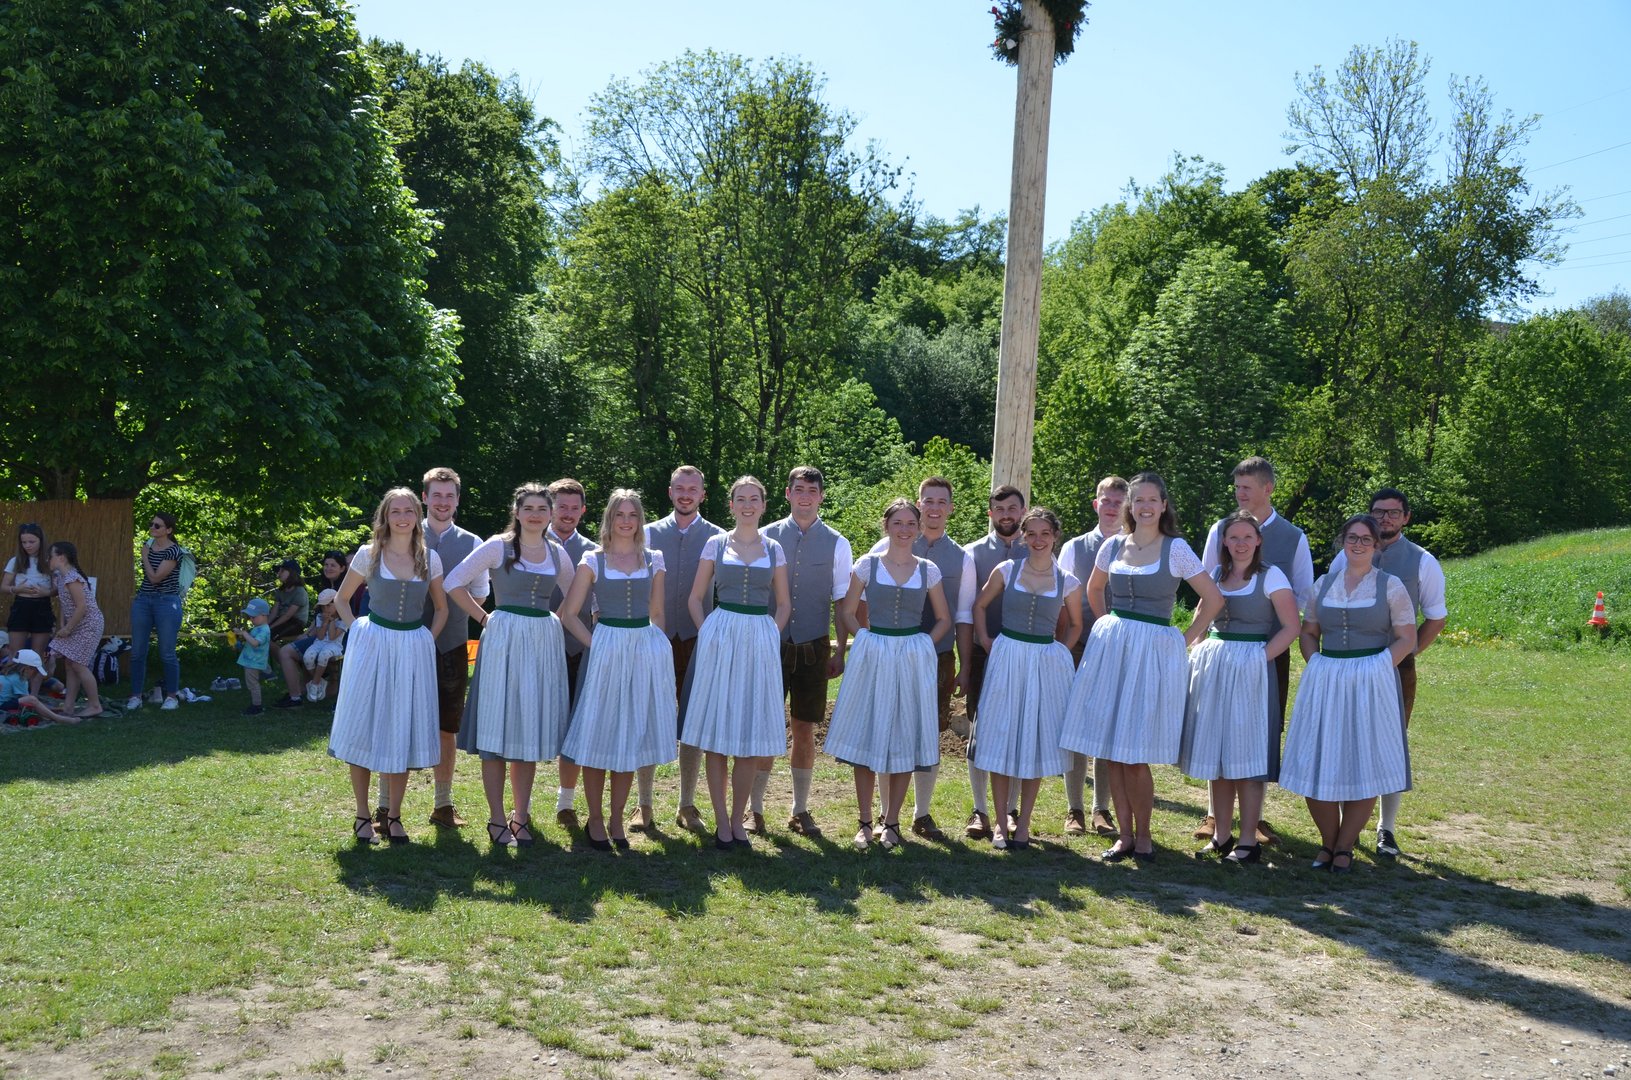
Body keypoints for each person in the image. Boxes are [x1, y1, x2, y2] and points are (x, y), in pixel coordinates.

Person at [1061, 472, 1225, 862]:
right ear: (1130, 507)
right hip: (1113, 650)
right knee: (1114, 751)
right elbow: (1094, 588)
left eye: (1152, 500)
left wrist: (1184, 638)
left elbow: (1214, 598)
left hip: (1152, 653)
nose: (1145, 507)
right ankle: (1125, 835)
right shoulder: (1114, 544)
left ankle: (1145, 835)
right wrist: (1106, 623)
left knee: (1135, 753)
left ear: (1164, 505)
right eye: (1139, 500)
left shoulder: (1176, 548)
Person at [1280, 514, 1416, 872]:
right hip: (1326, 679)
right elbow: (1309, 631)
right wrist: (1315, 662)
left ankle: (1344, 847)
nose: (1358, 544)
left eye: (1366, 539)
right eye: (1352, 538)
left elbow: (1407, 637)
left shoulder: (1390, 586)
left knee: (1364, 761)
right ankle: (1328, 843)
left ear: (1376, 545)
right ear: (1343, 542)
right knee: (1316, 758)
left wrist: (1380, 665)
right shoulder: (1323, 584)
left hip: (1372, 681)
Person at [444, 482, 576, 849]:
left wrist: (553, 620)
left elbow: (576, 594)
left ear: (550, 514)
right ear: (516, 512)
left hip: (541, 644)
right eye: (528, 508)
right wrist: (484, 618)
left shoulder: (557, 553)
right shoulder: (498, 546)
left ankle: (521, 815)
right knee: (496, 727)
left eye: (542, 509)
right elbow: (454, 582)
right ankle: (496, 818)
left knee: (527, 729)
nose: (535, 514)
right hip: (503, 640)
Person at [1194, 457, 1314, 846]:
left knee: (1258, 734)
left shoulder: (1293, 537)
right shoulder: (1220, 529)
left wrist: (1261, 650)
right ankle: (1216, 820)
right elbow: (1207, 592)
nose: (1240, 493)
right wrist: (1195, 645)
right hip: (1219, 656)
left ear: (1268, 489)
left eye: (1247, 487)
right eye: (1237, 487)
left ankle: (1254, 822)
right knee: (1217, 733)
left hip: (1267, 650)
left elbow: (1302, 597)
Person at [1326, 487, 1448, 859]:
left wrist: (1407, 654)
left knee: (1390, 743)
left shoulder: (1422, 560)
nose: (1386, 518)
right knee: (1348, 739)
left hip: (1394, 666)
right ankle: (1347, 827)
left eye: (1394, 513)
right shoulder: (1345, 556)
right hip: (1347, 664)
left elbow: (1436, 616)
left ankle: (1386, 828)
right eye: (1379, 512)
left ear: (1406, 517)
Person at [827, 499, 952, 850]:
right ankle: (865, 821)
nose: (904, 529)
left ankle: (892, 821)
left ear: (918, 528)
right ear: (887, 526)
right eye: (898, 523)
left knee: (903, 735)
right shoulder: (867, 565)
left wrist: (923, 643)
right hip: (874, 655)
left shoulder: (928, 570)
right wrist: (864, 637)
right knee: (868, 733)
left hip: (910, 658)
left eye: (911, 523)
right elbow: (847, 611)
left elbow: (944, 618)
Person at [1178, 512, 1301, 864]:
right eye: (1234, 537)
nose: (1241, 543)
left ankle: (1248, 840)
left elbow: (1291, 626)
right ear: (1224, 542)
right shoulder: (1216, 573)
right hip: (1214, 666)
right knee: (1218, 753)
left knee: (1246, 755)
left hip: (1251, 668)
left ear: (1258, 540)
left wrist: (1260, 657)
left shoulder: (1270, 575)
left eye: (1248, 536)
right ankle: (1221, 834)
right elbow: (1201, 616)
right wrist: (1198, 646)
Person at [558, 489, 677, 851]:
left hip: (641, 651)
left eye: (633, 515)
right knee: (599, 735)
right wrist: (596, 644)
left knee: (629, 737)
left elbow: (657, 613)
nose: (626, 521)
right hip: (606, 652)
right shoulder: (593, 560)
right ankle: (595, 818)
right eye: (620, 514)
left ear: (640, 520)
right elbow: (569, 614)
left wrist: (655, 650)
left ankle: (616, 818)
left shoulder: (654, 559)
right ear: (609, 519)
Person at [329, 488, 448, 846]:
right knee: (365, 725)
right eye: (395, 511)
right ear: (385, 516)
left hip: (411, 647)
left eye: (408, 511)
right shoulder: (369, 554)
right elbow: (342, 599)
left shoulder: (430, 558)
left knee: (401, 727)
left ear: (417, 516)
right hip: (374, 645)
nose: (402, 517)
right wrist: (359, 631)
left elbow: (441, 608)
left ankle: (394, 815)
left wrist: (426, 639)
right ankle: (362, 814)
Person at [681, 476, 792, 849]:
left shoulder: (774, 548)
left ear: (763, 505)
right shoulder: (715, 544)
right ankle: (720, 821)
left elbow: (784, 603)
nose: (747, 505)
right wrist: (708, 633)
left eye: (753, 499)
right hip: (722, 637)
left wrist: (770, 634)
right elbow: (695, 598)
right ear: (731, 505)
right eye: (740, 499)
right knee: (717, 734)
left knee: (748, 735)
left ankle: (738, 819)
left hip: (758, 638)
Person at [864, 476, 976, 841]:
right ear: (918, 504)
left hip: (935, 656)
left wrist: (964, 664)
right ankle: (886, 814)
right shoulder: (885, 545)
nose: (934, 508)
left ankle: (921, 812)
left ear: (951, 508)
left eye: (942, 501)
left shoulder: (963, 557)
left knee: (928, 734)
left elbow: (962, 615)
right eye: (928, 500)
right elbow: (863, 600)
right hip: (887, 654)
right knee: (887, 730)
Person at [968, 507, 1082, 850]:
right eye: (1031, 533)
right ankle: (999, 823)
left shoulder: (1067, 580)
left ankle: (1024, 823)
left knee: (1034, 739)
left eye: (1045, 533)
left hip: (1043, 662)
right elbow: (979, 605)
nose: (1038, 540)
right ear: (1023, 536)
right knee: (1000, 736)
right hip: (1007, 657)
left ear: (1055, 536)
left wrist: (1059, 652)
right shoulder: (1007, 570)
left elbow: (1076, 624)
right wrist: (986, 640)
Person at [760, 465, 852, 838]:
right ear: (788, 494)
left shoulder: (838, 543)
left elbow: (842, 602)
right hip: (770, 644)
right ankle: (754, 809)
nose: (805, 497)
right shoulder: (765, 537)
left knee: (803, 727)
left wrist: (840, 650)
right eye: (799, 489)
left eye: (812, 491)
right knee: (764, 726)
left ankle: (799, 808)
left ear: (821, 497)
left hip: (814, 645)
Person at [643, 465, 725, 832]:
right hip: (652, 637)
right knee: (648, 716)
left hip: (697, 638)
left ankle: (687, 804)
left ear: (703, 495)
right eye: (680, 488)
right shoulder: (646, 533)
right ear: (670, 492)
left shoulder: (719, 538)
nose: (686, 494)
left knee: (693, 721)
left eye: (693, 489)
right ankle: (643, 804)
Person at [1056, 476, 1128, 838]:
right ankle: (1075, 809)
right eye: (1106, 501)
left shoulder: (1138, 546)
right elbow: (1061, 598)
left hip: (1120, 648)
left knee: (1106, 726)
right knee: (1075, 726)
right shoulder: (1075, 547)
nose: (1112, 507)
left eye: (1119, 501)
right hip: (1080, 643)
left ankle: (1102, 808)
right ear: (1095, 504)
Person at [414, 466, 482, 832]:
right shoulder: (404, 532)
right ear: (424, 497)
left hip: (452, 645)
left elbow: (481, 594)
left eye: (449, 496)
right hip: (406, 644)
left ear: (457, 500)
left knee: (446, 726)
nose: (443, 502)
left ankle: (442, 803)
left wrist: (457, 616)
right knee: (400, 721)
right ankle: (385, 807)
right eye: (436, 495)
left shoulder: (473, 543)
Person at [960, 485, 1027, 838]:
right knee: (979, 730)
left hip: (1026, 655)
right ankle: (980, 810)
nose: (1006, 515)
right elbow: (968, 609)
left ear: (1023, 511)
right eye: (999, 509)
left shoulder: (1039, 548)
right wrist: (980, 645)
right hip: (984, 652)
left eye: (1012, 508)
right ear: (990, 513)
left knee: (1016, 730)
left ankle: (1011, 811)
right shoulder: (971, 553)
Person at [546, 477, 597, 829]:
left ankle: (566, 802)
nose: (567, 513)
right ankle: (521, 806)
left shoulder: (594, 551)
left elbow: (598, 605)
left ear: (583, 511)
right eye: (561, 506)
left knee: (576, 726)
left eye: (573, 508)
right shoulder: (528, 542)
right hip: (538, 648)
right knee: (530, 723)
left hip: (579, 649)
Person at [273, 550, 349, 707]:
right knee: (286, 651)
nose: (328, 568)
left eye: (333, 565)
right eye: (326, 564)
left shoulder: (349, 588)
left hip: (341, 636)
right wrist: (307, 633)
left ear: (342, 568)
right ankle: (296, 696)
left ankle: (312, 687)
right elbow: (319, 618)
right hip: (320, 635)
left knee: (294, 652)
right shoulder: (325, 586)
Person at [124, 513, 184, 711]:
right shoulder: (149, 545)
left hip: (166, 601)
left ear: (168, 530)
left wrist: (144, 556)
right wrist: (146, 553)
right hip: (143, 600)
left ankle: (172, 696)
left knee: (167, 652)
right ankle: (135, 696)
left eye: (157, 525)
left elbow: (155, 578)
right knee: (137, 652)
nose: (152, 527)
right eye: (151, 524)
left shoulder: (174, 550)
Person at [45, 541, 106, 719]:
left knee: (78, 664)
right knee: (70, 664)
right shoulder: (61, 578)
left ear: (62, 558)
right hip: (76, 625)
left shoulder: (72, 578)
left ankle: (95, 705)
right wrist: (63, 625)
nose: (48, 559)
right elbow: (65, 605)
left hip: (89, 625)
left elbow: (82, 607)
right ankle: (69, 707)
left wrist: (68, 628)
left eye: (51, 556)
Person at [5, 523, 54, 659]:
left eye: (31, 542)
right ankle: (13, 674)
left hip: (42, 606)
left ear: (41, 541)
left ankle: (35, 675)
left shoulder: (49, 561)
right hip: (21, 605)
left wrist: (46, 592)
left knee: (37, 656)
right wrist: (16, 589)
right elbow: (3, 586)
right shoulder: (16, 560)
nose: (27, 546)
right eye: (24, 542)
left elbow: (57, 589)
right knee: (15, 654)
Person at [302, 589, 347, 701]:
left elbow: (332, 637)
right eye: (323, 607)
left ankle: (314, 684)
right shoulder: (319, 617)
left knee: (324, 655)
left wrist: (332, 622)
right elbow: (320, 636)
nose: (325, 609)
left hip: (334, 645)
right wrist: (325, 622)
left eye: (328, 606)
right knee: (307, 657)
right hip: (319, 642)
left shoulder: (343, 619)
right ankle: (319, 681)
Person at [234, 598, 273, 716]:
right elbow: (250, 644)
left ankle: (257, 707)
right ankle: (267, 671)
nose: (251, 619)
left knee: (253, 684)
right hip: (251, 660)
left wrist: (244, 633)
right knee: (252, 683)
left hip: (254, 662)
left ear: (263, 615)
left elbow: (255, 643)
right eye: (250, 617)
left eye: (253, 617)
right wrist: (240, 643)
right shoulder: (258, 628)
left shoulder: (264, 630)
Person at [266, 559, 310, 644]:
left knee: (271, 635)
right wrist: (265, 626)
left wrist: (270, 627)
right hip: (282, 620)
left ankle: (280, 653)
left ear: (291, 573)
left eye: (282, 571)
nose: (278, 574)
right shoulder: (280, 591)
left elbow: (288, 615)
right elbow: (274, 613)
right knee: (262, 632)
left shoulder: (299, 592)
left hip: (296, 623)